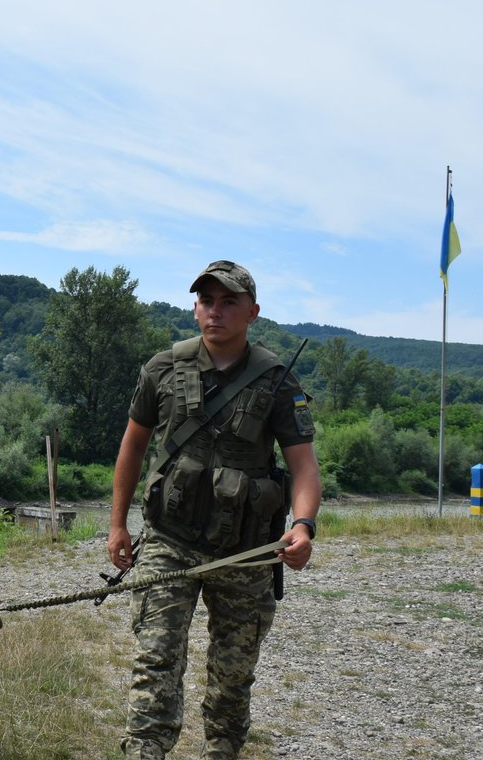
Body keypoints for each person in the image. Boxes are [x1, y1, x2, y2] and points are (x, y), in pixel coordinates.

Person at [107, 260, 322, 760]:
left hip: (247, 551)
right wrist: (118, 524)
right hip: (168, 540)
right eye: (206, 301)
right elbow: (133, 449)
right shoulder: (162, 369)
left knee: (232, 676)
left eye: (228, 303)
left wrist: (304, 526)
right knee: (155, 661)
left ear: (252, 312)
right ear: (195, 307)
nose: (215, 312)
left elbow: (305, 468)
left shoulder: (278, 382)